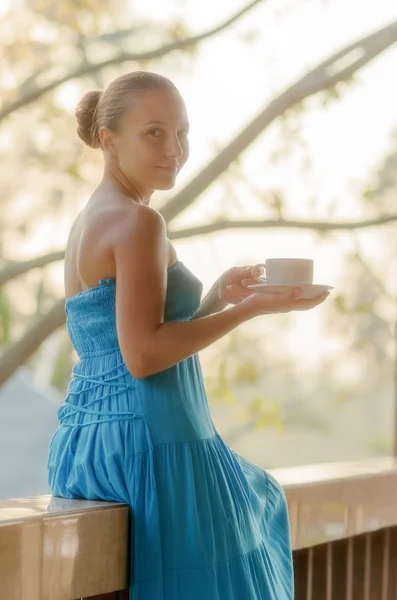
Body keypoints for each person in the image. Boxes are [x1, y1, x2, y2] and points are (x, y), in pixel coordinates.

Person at [47, 71, 329, 600]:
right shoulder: (139, 223)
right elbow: (145, 355)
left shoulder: (89, 219)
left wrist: (220, 295)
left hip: (89, 440)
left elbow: (127, 338)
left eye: (182, 133)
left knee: (256, 500)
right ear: (109, 139)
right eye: (154, 132)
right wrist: (250, 311)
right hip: (151, 440)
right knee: (256, 515)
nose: (175, 149)